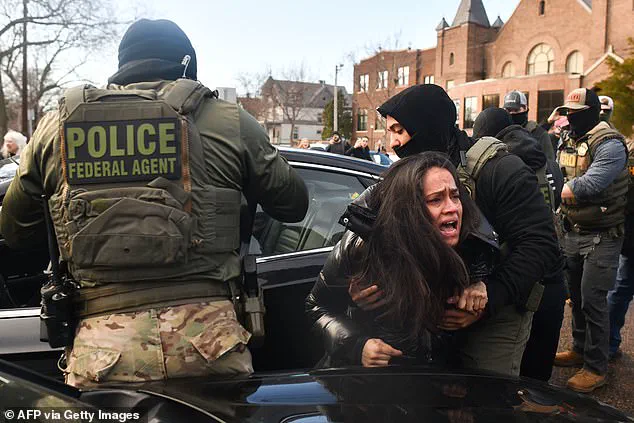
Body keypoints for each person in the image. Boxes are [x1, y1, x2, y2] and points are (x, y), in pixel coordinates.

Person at [0, 19, 309, 388]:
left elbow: (15, 233)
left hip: (102, 349)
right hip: (209, 343)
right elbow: (293, 205)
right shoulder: (228, 120)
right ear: (186, 65)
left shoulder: (56, 127)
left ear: (122, 66)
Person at [356, 84, 561, 377]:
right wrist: (363, 286)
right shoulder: (414, 174)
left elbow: (540, 244)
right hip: (443, 308)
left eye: (399, 131)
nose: (394, 143)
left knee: (485, 388)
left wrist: (489, 294)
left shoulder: (500, 170)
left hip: (502, 304)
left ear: (426, 126)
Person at [306, 152, 498, 368]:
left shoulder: (474, 248)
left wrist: (482, 289)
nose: (452, 208)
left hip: (435, 380)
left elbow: (508, 278)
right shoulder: (362, 247)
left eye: (455, 196)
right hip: (364, 380)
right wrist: (357, 346)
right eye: (436, 200)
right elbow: (317, 307)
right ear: (409, 209)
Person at [472, 107, 566, 381]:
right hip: (553, 275)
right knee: (539, 376)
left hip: (519, 280)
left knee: (509, 375)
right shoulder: (549, 163)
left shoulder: (496, 168)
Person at [553, 88, 628, 393]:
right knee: (576, 297)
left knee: (593, 300)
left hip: (603, 235)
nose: (570, 118)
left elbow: (592, 183)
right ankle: (579, 349)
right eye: (568, 112)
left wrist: (556, 190)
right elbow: (555, 169)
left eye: (577, 113)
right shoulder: (569, 138)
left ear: (593, 112)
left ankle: (596, 367)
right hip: (573, 229)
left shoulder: (609, 144)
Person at [503, 90, 555, 161]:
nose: (512, 113)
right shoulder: (501, 133)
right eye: (508, 110)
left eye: (516, 110)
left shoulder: (539, 134)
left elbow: (550, 162)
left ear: (525, 108)